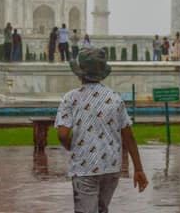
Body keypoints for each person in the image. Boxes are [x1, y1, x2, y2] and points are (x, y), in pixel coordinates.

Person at [56, 47, 148, 212]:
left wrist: (72, 146)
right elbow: (129, 137)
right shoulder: (115, 98)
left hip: (85, 167)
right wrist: (139, 169)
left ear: (79, 73)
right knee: (102, 208)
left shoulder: (71, 98)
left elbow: (62, 134)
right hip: (111, 166)